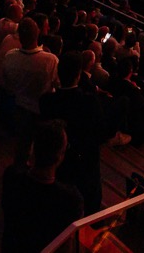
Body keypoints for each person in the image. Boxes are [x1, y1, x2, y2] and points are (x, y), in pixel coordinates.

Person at [1, 120, 84, 253]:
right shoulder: (71, 201)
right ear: (60, 156)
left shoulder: (11, 176)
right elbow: (66, 246)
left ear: (32, 148)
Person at [40, 53, 104, 214]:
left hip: (56, 159)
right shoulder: (89, 102)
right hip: (81, 164)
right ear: (78, 76)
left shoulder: (46, 101)